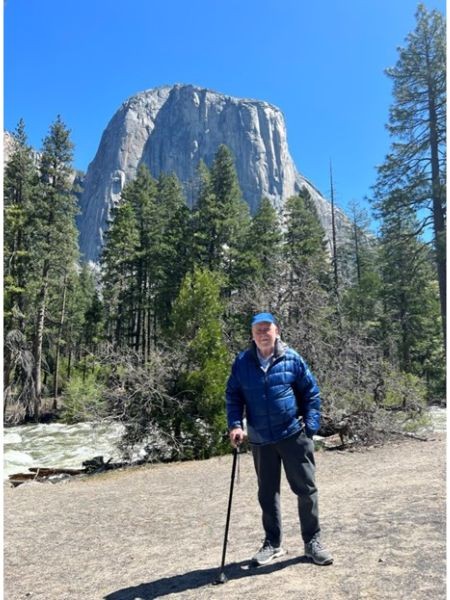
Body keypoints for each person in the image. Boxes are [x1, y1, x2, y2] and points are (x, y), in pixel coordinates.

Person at [225, 312, 333, 566]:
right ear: (252, 334)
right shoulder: (242, 362)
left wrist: (311, 426)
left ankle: (312, 542)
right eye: (258, 330)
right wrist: (235, 425)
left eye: (267, 329)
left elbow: (311, 393)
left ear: (277, 331)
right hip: (261, 439)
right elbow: (233, 396)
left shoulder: (292, 358)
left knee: (306, 489)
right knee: (267, 493)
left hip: (293, 435)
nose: (263, 334)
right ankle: (272, 544)